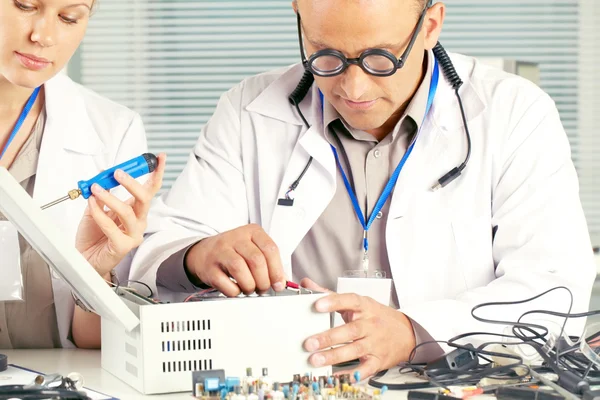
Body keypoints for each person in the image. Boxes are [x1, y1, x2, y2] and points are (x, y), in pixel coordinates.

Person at [130, 0, 595, 378]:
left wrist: (413, 332)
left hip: (449, 382)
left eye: (379, 58)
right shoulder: (248, 111)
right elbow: (158, 253)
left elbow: (554, 288)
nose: (353, 87)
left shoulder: (513, 113)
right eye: (325, 55)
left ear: (430, 25)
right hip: (292, 379)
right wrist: (198, 255)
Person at [0, 0, 165, 349]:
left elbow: (93, 344)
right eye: (26, 5)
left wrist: (93, 273)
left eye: (68, 17)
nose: (43, 36)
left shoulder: (113, 131)